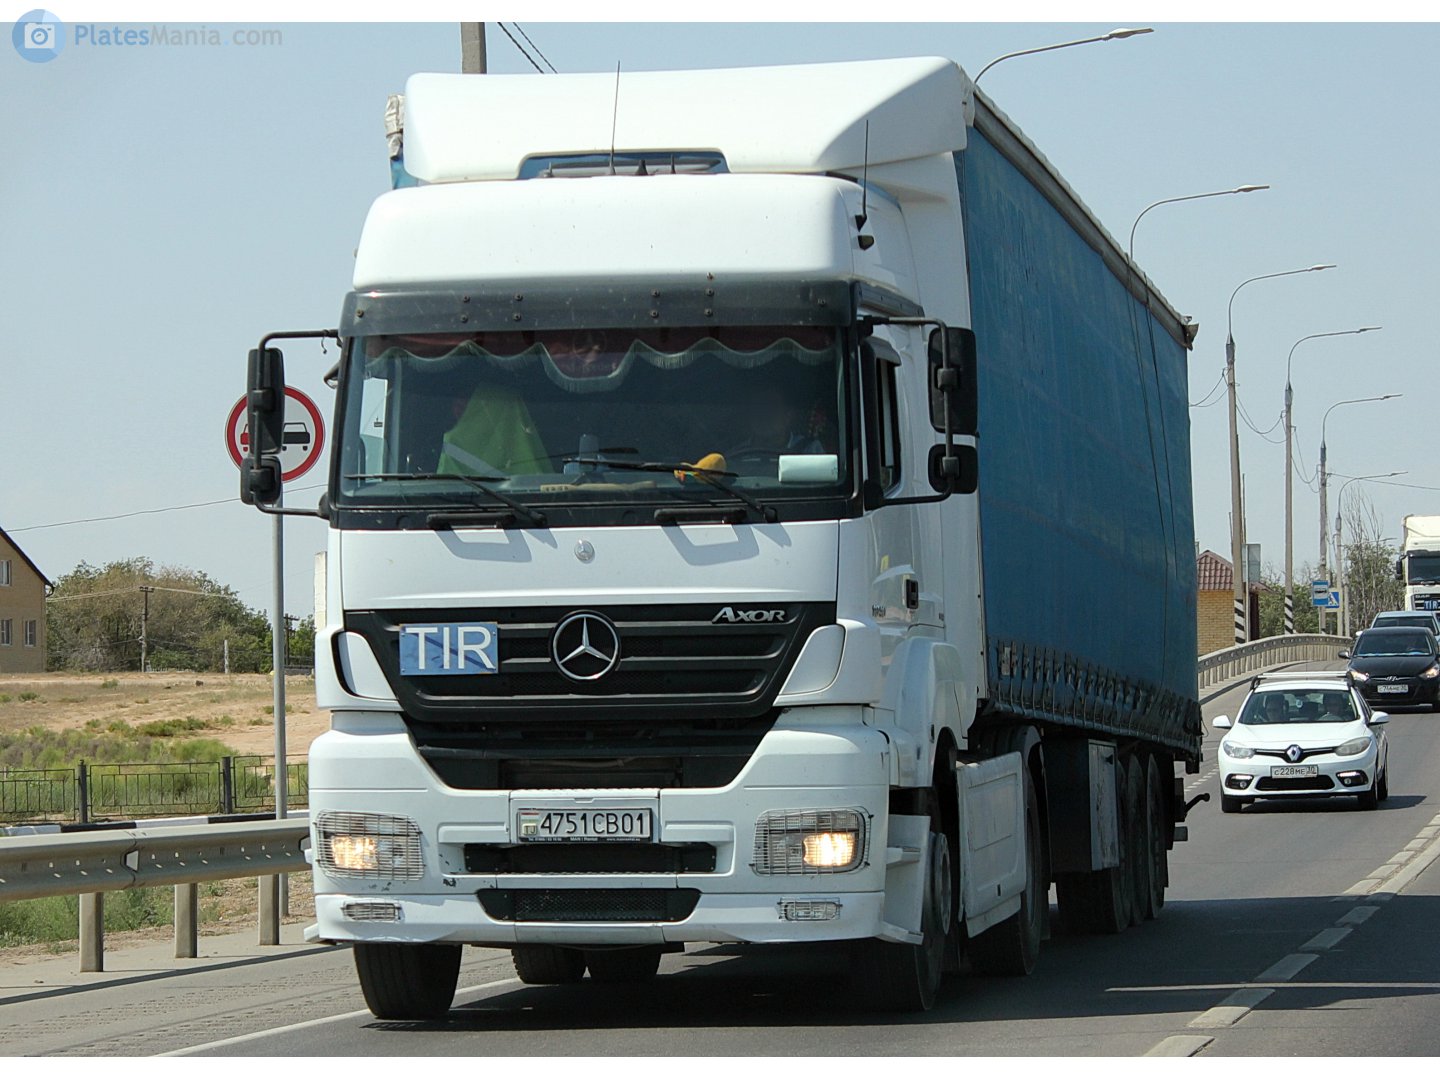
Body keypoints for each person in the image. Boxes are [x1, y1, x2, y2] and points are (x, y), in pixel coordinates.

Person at [436, 380, 548, 478]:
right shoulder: (454, 443)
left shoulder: (454, 443)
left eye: (469, 406)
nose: (456, 411)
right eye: (456, 405)